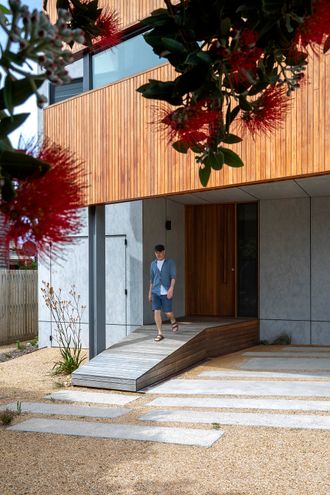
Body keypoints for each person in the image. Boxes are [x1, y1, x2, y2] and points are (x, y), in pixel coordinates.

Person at [149, 244, 178, 342]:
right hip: (155, 292)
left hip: (166, 291)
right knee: (156, 311)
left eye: (161, 252)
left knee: (168, 313)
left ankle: (173, 320)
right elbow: (152, 280)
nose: (159, 254)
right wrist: (150, 292)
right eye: (157, 252)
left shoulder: (170, 262)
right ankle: (160, 333)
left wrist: (171, 289)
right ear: (155, 253)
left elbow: (173, 277)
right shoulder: (153, 264)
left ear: (164, 252)